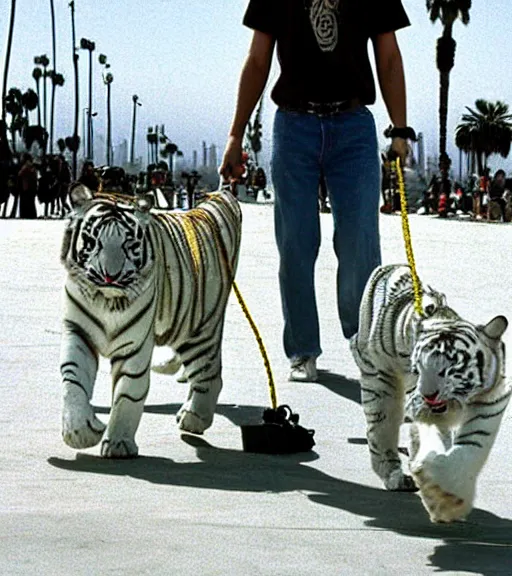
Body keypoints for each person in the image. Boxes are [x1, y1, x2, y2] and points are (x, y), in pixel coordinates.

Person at [220, 0, 414, 382]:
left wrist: (400, 129)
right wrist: (235, 134)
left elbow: (389, 56)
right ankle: (303, 349)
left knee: (360, 239)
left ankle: (365, 343)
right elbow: (258, 60)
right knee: (295, 242)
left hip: (354, 124)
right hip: (294, 126)